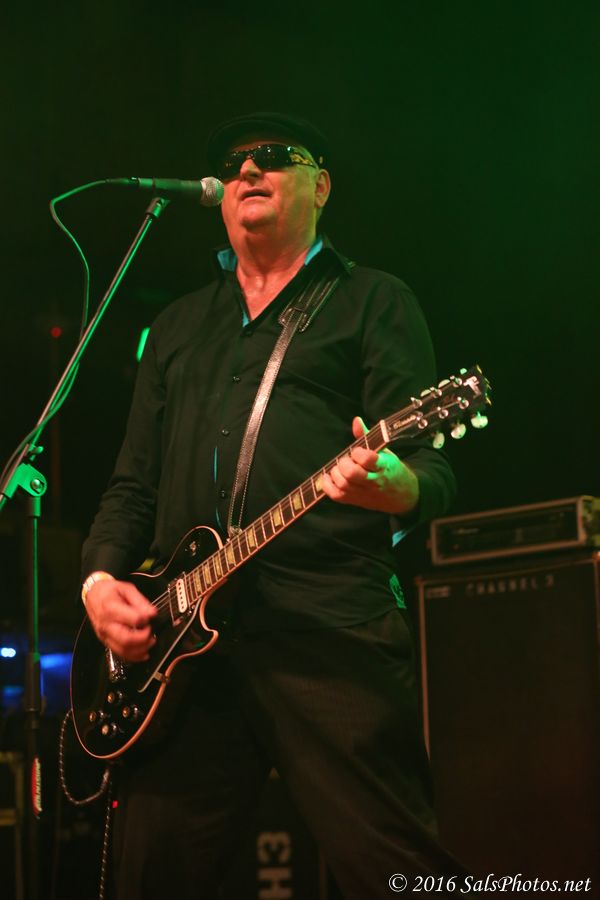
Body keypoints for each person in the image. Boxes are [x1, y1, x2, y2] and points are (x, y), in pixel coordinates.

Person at [80, 112, 465, 899]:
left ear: (320, 186)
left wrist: (398, 486)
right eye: (233, 163)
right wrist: (98, 582)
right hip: (183, 655)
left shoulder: (372, 301)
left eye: (273, 157)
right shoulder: (178, 325)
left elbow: (431, 468)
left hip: (326, 628)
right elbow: (133, 484)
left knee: (397, 870)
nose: (248, 170)